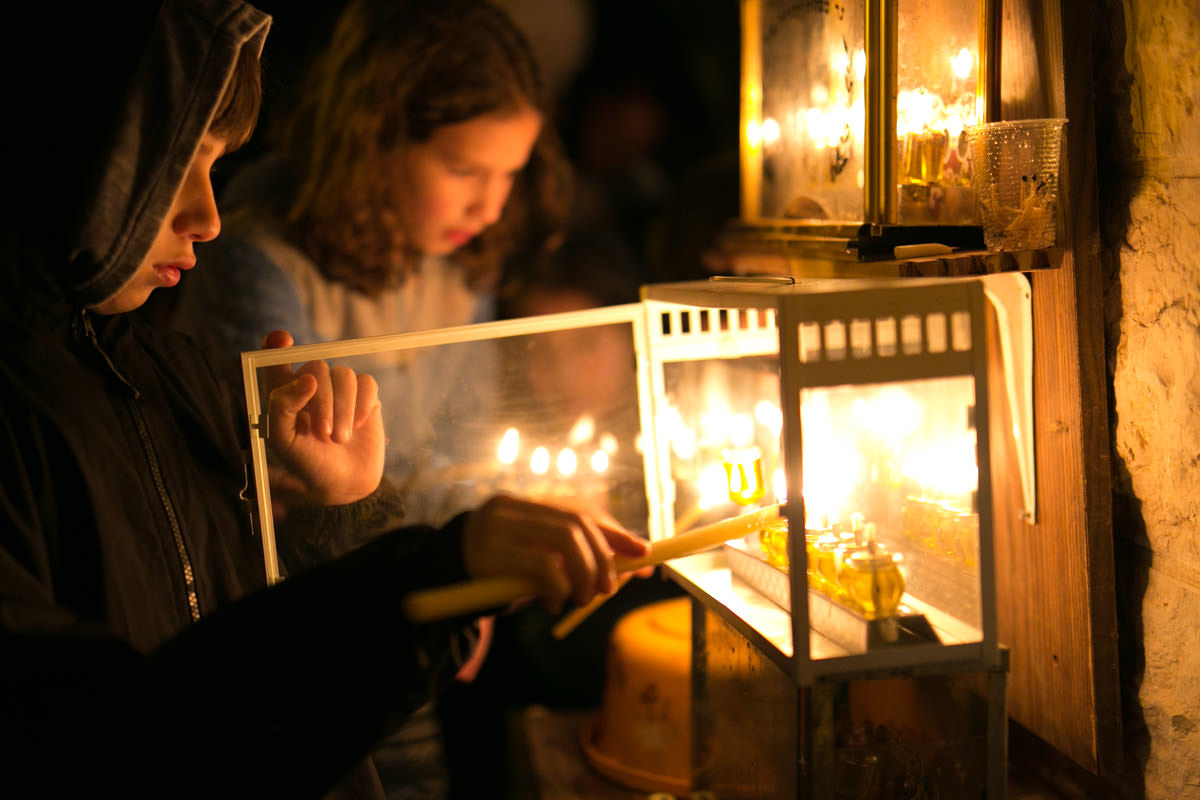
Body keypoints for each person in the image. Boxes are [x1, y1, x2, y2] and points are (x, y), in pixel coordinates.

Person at [0, 2, 647, 798]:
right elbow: (137, 720)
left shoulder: (149, 368)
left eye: (509, 175)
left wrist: (349, 505)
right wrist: (429, 572)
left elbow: (233, 583)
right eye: (464, 169)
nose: (206, 217)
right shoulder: (219, 310)